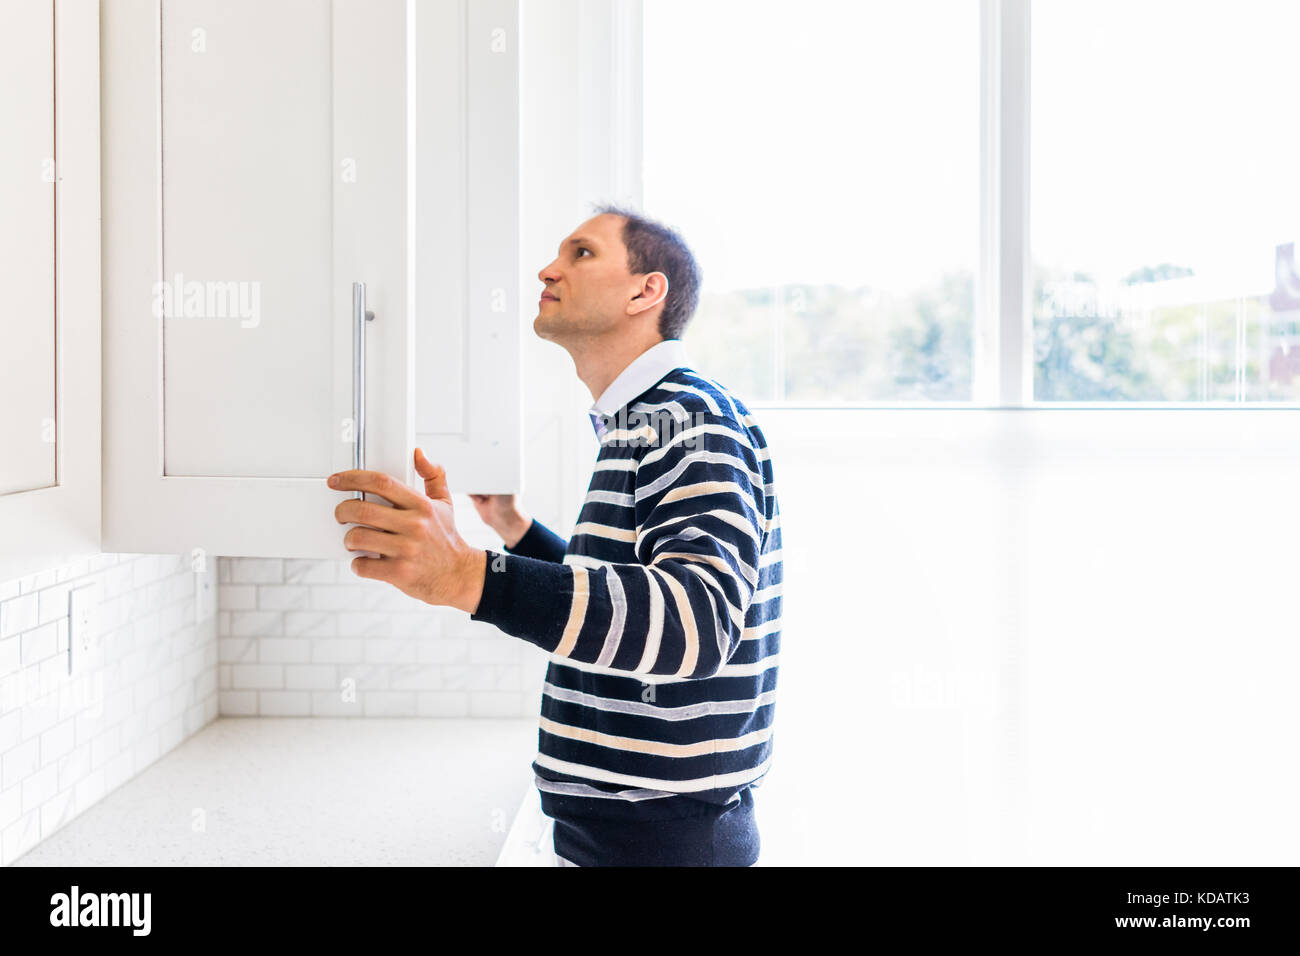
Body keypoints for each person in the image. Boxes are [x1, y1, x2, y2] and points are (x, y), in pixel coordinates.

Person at [327, 205, 783, 866]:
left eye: (582, 253)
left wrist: (465, 573)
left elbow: (694, 623)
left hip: (661, 840)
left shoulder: (688, 418)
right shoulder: (642, 423)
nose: (548, 268)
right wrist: (513, 530)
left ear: (644, 290)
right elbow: (631, 607)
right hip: (637, 828)